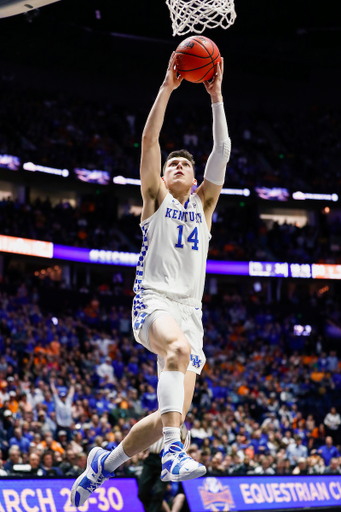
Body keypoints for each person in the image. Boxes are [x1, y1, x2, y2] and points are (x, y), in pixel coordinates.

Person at [71, 52, 231, 507]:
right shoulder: (156, 198)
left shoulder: (204, 205)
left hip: (190, 312)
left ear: (196, 178)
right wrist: (167, 86)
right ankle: (174, 454)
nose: (178, 166)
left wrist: (216, 97)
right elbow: (149, 139)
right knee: (176, 354)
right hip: (154, 300)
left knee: (171, 412)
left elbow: (222, 151)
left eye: (186, 164)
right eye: (172, 164)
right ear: (161, 176)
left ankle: (105, 462)